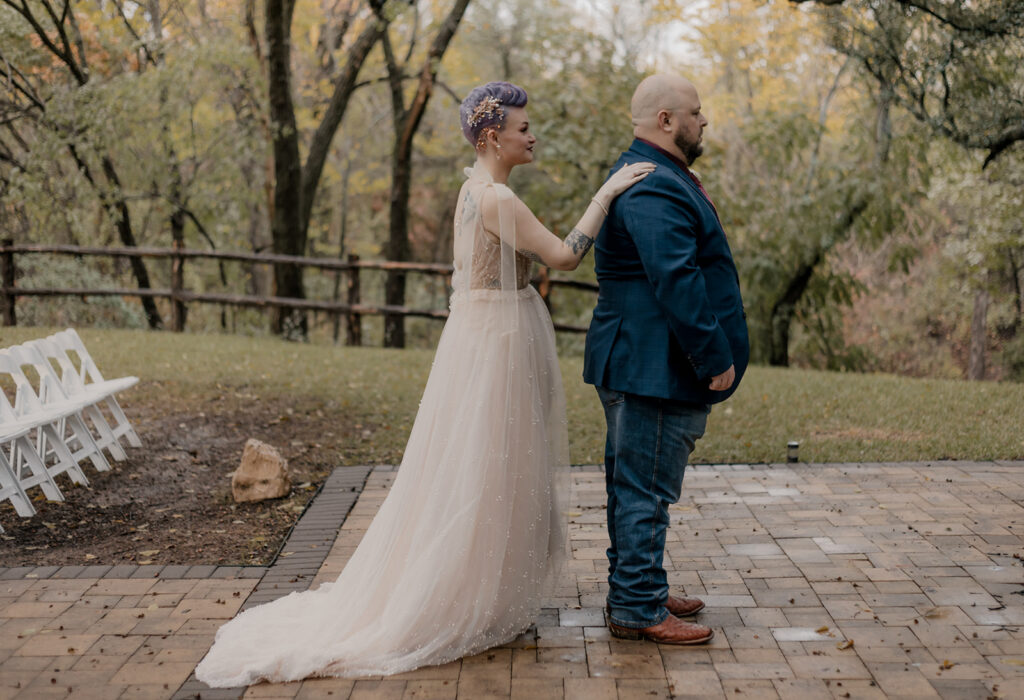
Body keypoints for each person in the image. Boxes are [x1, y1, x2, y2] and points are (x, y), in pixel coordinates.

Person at [194, 81, 653, 687]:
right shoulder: (496, 200)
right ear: (493, 137)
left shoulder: (473, 191)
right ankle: (464, 595)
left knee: (484, 464)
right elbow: (566, 257)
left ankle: (484, 591)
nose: (532, 135)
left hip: (483, 337)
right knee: (490, 465)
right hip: (497, 346)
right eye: (523, 128)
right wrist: (609, 190)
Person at [583, 74, 750, 645]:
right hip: (650, 363)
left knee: (636, 484)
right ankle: (636, 605)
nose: (703, 122)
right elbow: (674, 278)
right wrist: (713, 356)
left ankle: (639, 585)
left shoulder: (655, 172)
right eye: (695, 113)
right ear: (665, 120)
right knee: (645, 489)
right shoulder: (653, 184)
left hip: (640, 358)